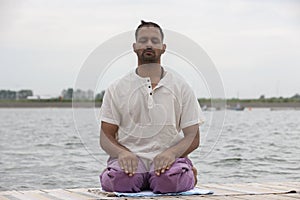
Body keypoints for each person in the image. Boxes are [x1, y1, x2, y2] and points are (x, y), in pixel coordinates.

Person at [99, 20, 204, 193]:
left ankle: (188, 172)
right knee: (120, 183)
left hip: (168, 162)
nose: (149, 44)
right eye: (143, 40)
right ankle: (119, 173)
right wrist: (122, 153)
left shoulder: (181, 87)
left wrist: (172, 153)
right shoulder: (117, 88)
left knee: (168, 182)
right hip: (130, 161)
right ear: (134, 46)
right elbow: (106, 136)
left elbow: (193, 136)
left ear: (163, 47)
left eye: (154, 41)